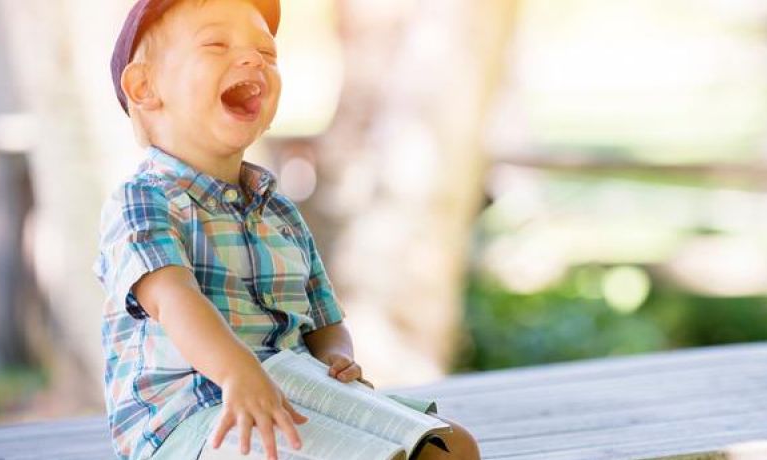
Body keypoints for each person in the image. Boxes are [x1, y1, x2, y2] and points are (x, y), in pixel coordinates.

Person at [94, 1, 480, 459]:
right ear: (144, 86)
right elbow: (175, 301)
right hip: (192, 421)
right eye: (217, 43)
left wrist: (336, 354)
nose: (254, 59)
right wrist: (238, 372)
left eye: (267, 52)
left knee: (451, 447)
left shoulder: (278, 210)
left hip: (298, 394)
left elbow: (324, 319)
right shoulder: (143, 199)